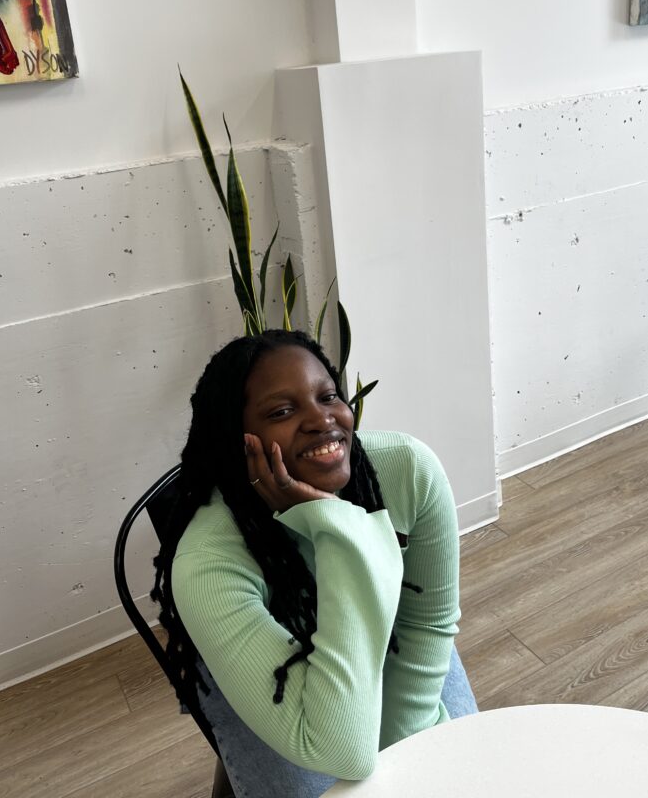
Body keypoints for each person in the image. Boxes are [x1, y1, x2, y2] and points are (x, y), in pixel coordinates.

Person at [152, 330, 477, 798]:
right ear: (237, 441)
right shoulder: (206, 565)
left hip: (382, 634)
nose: (322, 420)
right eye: (282, 412)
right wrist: (335, 527)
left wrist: (409, 753)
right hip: (268, 665)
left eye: (328, 396)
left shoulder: (409, 469)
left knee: (458, 774)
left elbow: (428, 622)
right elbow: (342, 749)